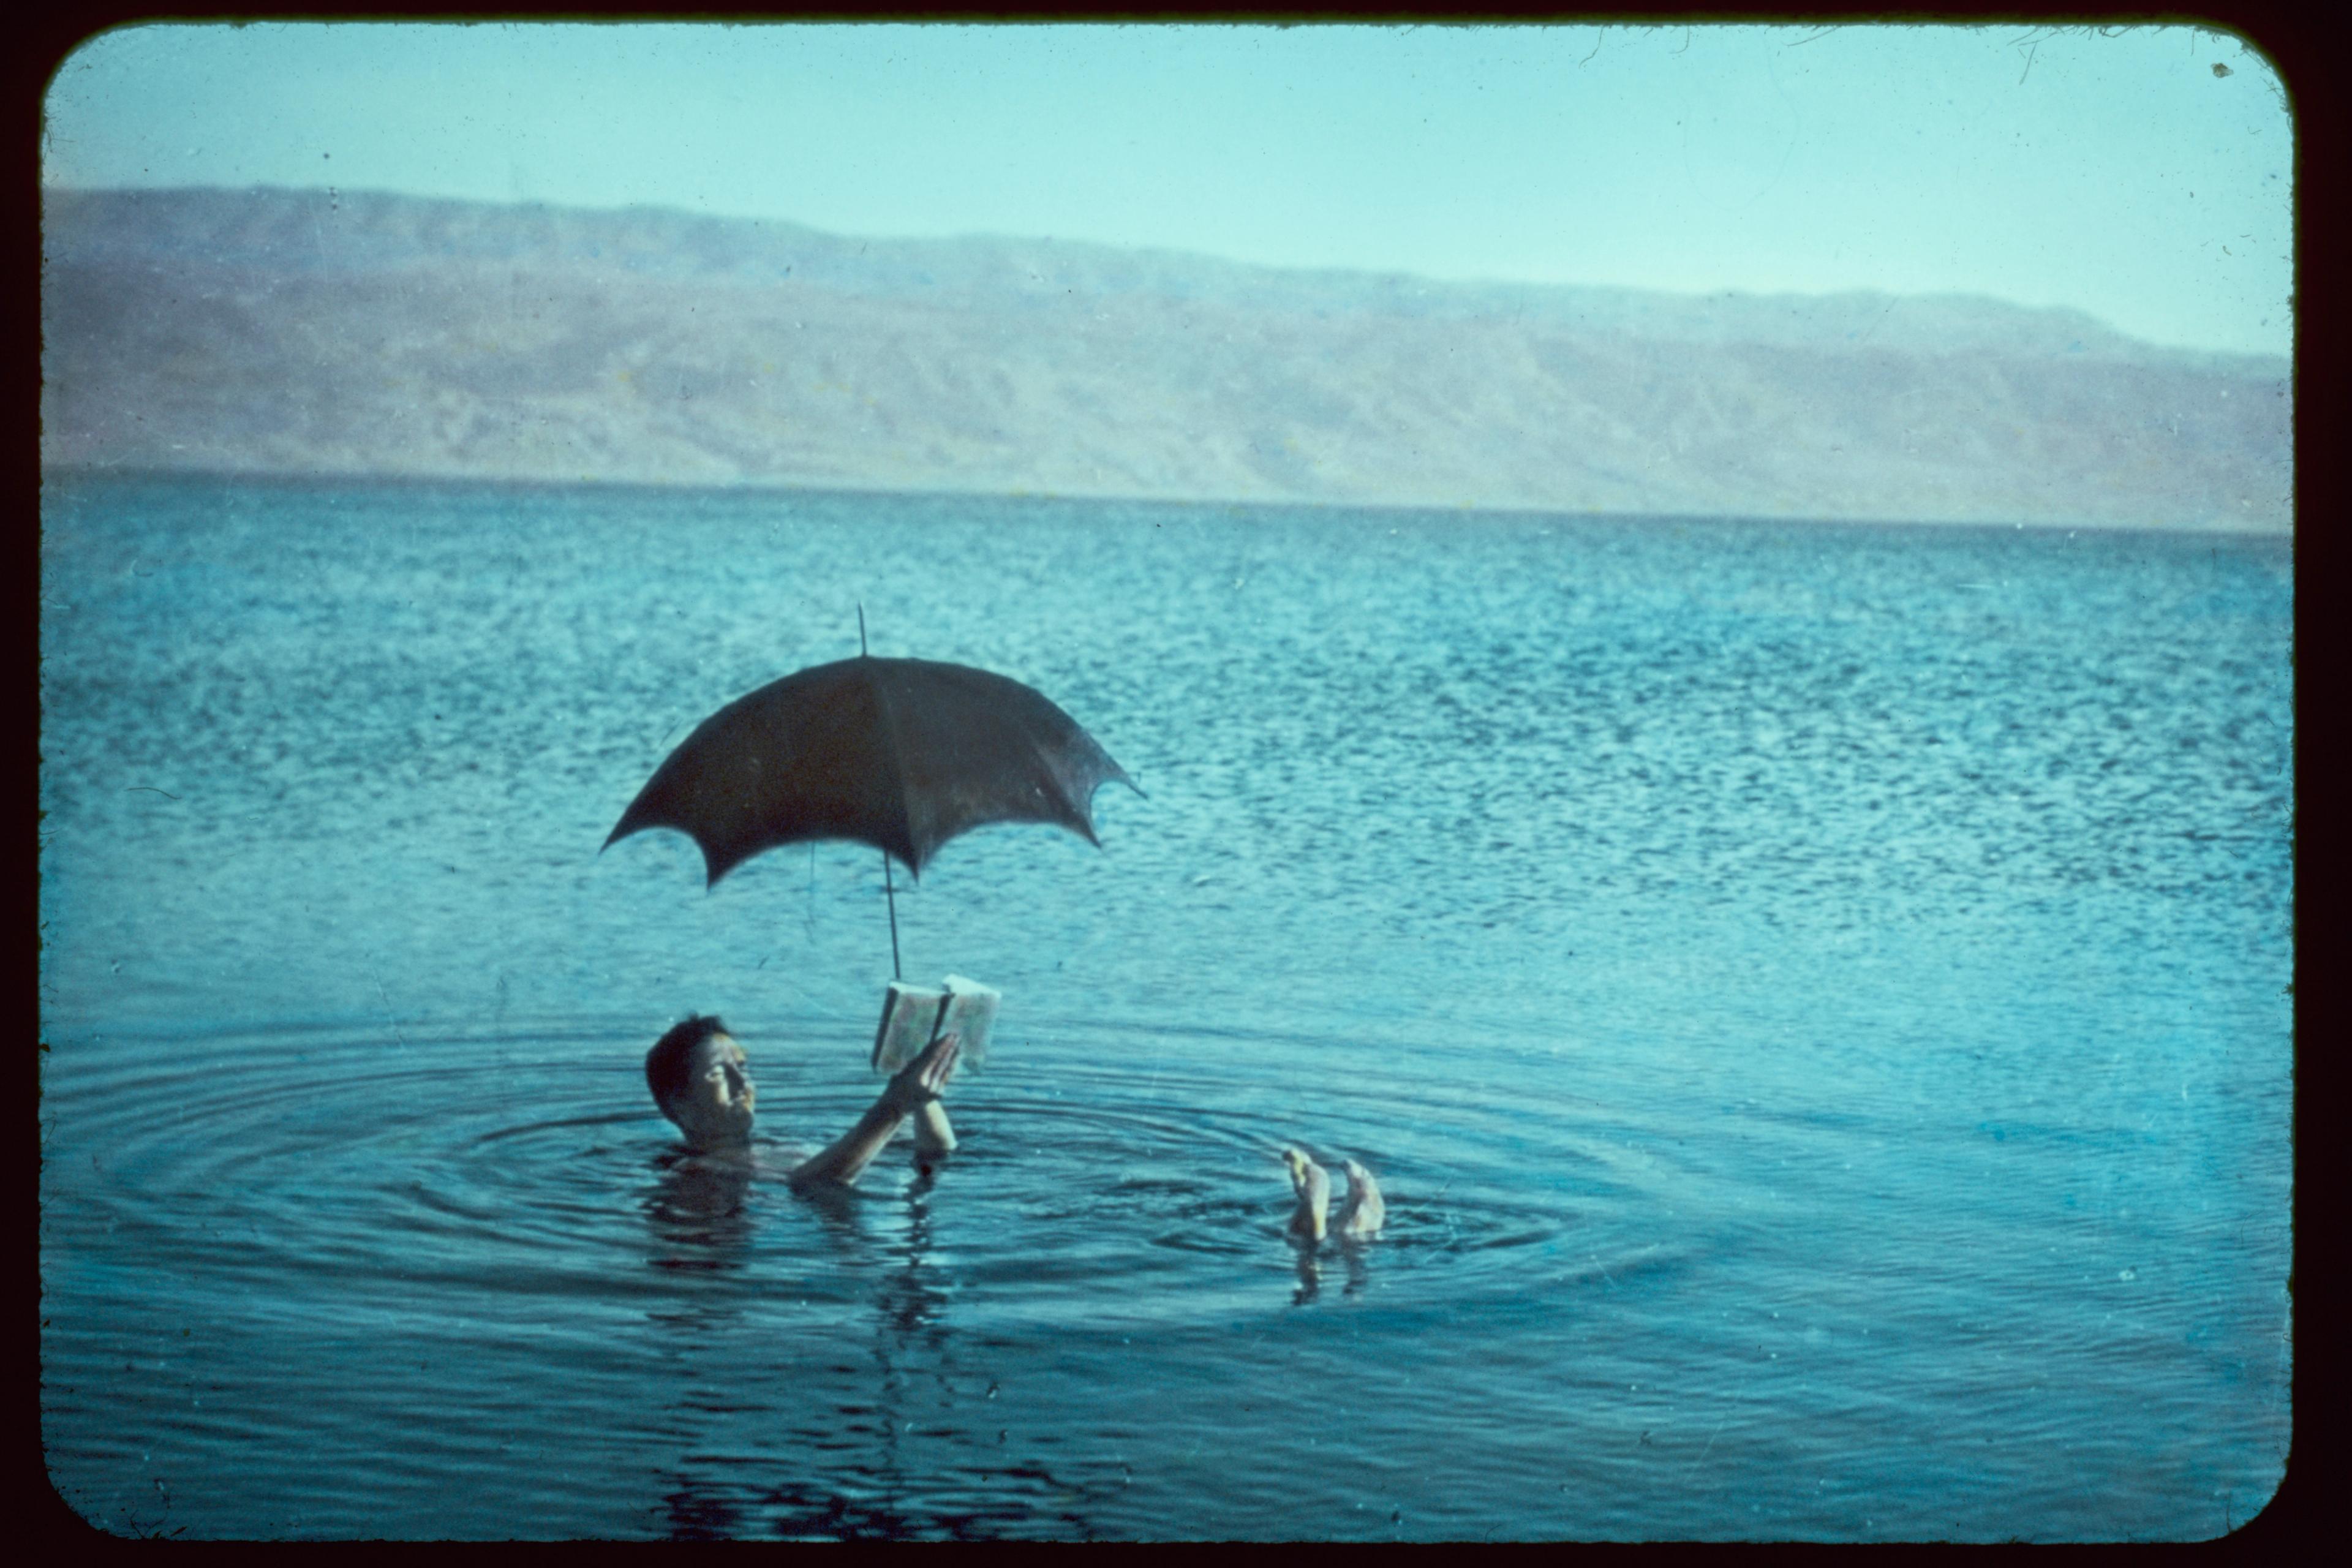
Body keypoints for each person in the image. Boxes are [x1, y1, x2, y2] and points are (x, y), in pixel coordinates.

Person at [646, 1014, 960, 1188]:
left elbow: (937, 1152)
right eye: (718, 1074)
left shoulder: (773, 1145)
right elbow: (817, 1182)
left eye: (742, 1069)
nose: (743, 1084)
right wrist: (895, 1103)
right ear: (678, 1106)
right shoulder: (694, 1172)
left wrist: (921, 1093)